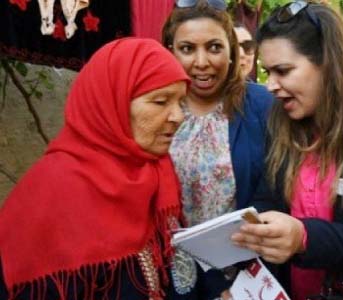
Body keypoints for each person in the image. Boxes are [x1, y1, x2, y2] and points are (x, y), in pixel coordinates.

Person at [0, 38, 196, 300]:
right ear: (110, 104)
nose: (178, 116)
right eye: (161, 102)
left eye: (180, 102)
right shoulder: (54, 188)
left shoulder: (157, 172)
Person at [231, 1, 343, 300]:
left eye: (283, 71)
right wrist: (245, 283)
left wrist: (304, 238)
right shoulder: (281, 122)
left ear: (330, 63)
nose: (270, 85)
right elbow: (268, 202)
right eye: (267, 71)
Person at [161, 0, 274, 299]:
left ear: (231, 52)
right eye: (187, 49)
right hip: (170, 268)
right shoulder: (156, 106)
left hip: (243, 269)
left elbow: (279, 187)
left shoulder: (263, 105)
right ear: (170, 51)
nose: (201, 62)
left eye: (214, 47)